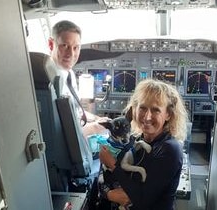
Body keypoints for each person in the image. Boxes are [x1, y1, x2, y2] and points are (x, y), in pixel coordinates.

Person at [99, 79, 188, 210]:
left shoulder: (170, 149)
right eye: (143, 108)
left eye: (156, 110)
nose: (147, 117)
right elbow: (103, 183)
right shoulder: (138, 140)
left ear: (168, 114)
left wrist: (112, 164)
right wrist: (109, 194)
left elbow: (141, 200)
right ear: (134, 109)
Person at [48, 20, 107, 137]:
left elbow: (74, 111)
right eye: (65, 46)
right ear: (51, 44)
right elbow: (62, 134)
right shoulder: (49, 81)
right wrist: (95, 127)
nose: (71, 53)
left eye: (76, 47)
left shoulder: (68, 73)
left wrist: (97, 118)